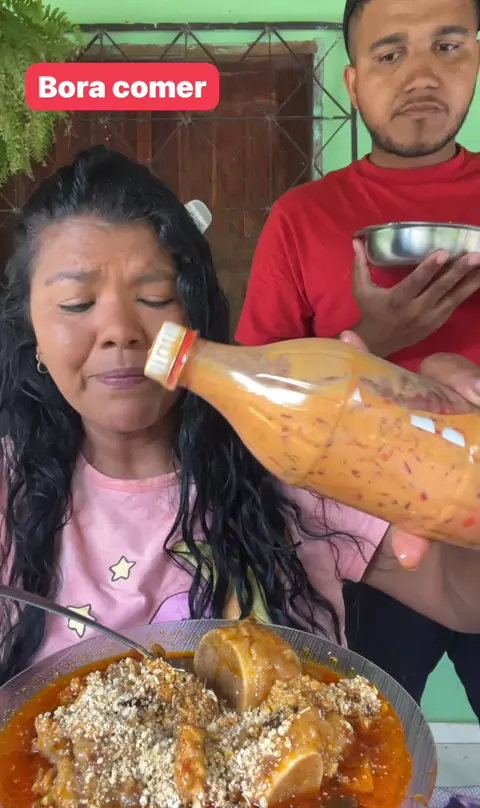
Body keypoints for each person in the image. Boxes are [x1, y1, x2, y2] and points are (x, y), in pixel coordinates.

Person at [0, 145, 480, 695]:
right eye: (77, 304)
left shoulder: (296, 459)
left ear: (194, 312)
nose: (120, 332)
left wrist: (451, 486)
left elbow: (465, 600)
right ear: (32, 332)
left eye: (154, 296)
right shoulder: (9, 493)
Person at [235, 0, 480, 718]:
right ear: (352, 80)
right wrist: (372, 338)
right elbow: (257, 404)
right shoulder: (302, 217)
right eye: (390, 53)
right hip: (361, 548)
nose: (421, 75)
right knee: (358, 743)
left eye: (447, 46)